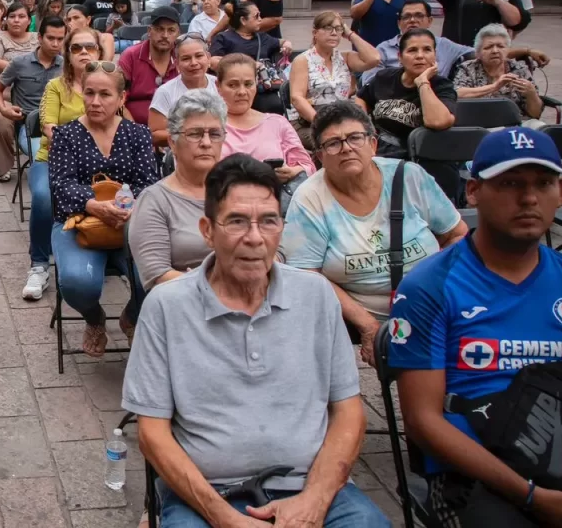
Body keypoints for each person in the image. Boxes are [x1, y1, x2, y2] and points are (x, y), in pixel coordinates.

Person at [124, 153, 390, 528]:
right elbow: (152, 433)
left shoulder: (316, 295)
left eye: (268, 221)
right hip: (207, 492)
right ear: (206, 230)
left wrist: (314, 500)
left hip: (311, 484)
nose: (254, 237)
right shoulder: (165, 307)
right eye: (236, 221)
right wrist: (224, 518)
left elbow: (348, 412)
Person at [388, 126, 562, 528]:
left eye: (543, 183)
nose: (529, 198)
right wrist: (531, 496)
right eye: (511, 183)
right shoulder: (429, 286)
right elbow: (423, 421)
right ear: (474, 191)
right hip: (474, 475)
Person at [282, 101, 465, 364]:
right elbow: (307, 274)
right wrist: (367, 325)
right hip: (357, 311)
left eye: (355, 138)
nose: (346, 148)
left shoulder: (409, 176)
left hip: (429, 301)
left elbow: (456, 236)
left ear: (373, 144)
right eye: (333, 143)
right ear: (320, 156)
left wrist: (436, 289)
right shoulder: (309, 198)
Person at [50, 61, 159, 356]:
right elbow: (61, 186)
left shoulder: (138, 135)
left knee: (158, 277)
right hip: (80, 222)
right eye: (89, 93)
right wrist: (95, 205)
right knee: (76, 282)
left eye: (105, 94)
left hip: (130, 222)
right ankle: (94, 318)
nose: (95, 101)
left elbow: (149, 183)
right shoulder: (65, 135)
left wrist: (123, 208)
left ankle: (131, 317)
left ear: (122, 98)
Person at [23, 26, 99, 301]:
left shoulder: (111, 84)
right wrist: (87, 142)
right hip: (52, 160)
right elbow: (49, 128)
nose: (83, 53)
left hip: (98, 164)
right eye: (76, 48)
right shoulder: (55, 86)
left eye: (89, 47)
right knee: (44, 196)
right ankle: (39, 264)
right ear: (67, 54)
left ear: (99, 51)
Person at [128, 90, 222, 300]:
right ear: (172, 142)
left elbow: (277, 251)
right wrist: (217, 291)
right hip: (184, 303)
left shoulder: (239, 191)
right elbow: (157, 275)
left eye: (214, 134)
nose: (206, 142)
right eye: (195, 134)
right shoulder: (155, 200)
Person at [355, 28, 458, 159]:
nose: (420, 55)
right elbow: (361, 98)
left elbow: (437, 122)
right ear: (400, 57)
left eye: (427, 50)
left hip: (419, 158)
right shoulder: (384, 77)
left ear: (435, 55)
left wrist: (422, 82)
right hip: (378, 150)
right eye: (412, 50)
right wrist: (365, 126)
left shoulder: (443, 86)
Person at [287, 11, 381, 148]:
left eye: (338, 29)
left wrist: (349, 34)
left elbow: (374, 59)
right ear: (315, 33)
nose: (334, 33)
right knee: (338, 143)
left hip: (341, 119)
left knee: (366, 140)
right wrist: (323, 123)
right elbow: (297, 98)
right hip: (309, 121)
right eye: (327, 28)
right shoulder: (303, 60)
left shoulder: (345, 58)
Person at [217, 55, 313, 182]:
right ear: (218, 86)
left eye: (248, 84)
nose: (242, 92)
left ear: (256, 83)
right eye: (233, 85)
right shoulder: (208, 126)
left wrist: (291, 172)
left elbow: (307, 166)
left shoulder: (277, 123)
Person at [0, 2, 40, 181]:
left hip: (35, 94)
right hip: (0, 93)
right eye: (12, 16)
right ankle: (5, 165)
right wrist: (27, 68)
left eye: (21, 17)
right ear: (6, 19)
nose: (16, 20)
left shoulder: (39, 38)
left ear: (29, 20)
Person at [361, 0, 476, 85]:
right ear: (399, 23)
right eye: (406, 17)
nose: (412, 20)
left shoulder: (444, 45)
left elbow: (481, 52)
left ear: (430, 21)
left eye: (419, 16)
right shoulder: (384, 49)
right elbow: (368, 83)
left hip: (438, 99)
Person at [452, 23, 545, 126]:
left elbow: (536, 114)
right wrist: (494, 86)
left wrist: (531, 94)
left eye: (500, 46)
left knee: (540, 127)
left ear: (508, 51)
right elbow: (457, 94)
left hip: (517, 124)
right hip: (480, 124)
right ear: (478, 53)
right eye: (488, 47)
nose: (495, 51)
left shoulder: (519, 69)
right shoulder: (468, 68)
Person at [148, 35, 218, 147]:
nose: (194, 63)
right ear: (177, 64)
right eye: (186, 58)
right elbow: (155, 135)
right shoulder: (165, 92)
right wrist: (190, 136)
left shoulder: (219, 86)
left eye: (199, 56)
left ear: (208, 58)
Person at [119, 7, 181, 124]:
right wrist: (136, 131)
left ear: (178, 34)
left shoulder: (182, 58)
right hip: (134, 128)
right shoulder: (130, 56)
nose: (165, 35)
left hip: (176, 131)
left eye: (171, 30)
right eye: (159, 29)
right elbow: (118, 101)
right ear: (149, 31)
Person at [209, 1, 291, 71]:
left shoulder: (262, 37)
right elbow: (213, 62)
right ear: (243, 20)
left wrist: (287, 44)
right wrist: (248, 66)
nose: (260, 19)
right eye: (256, 16)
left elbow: (281, 42)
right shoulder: (223, 38)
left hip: (263, 86)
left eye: (260, 15)